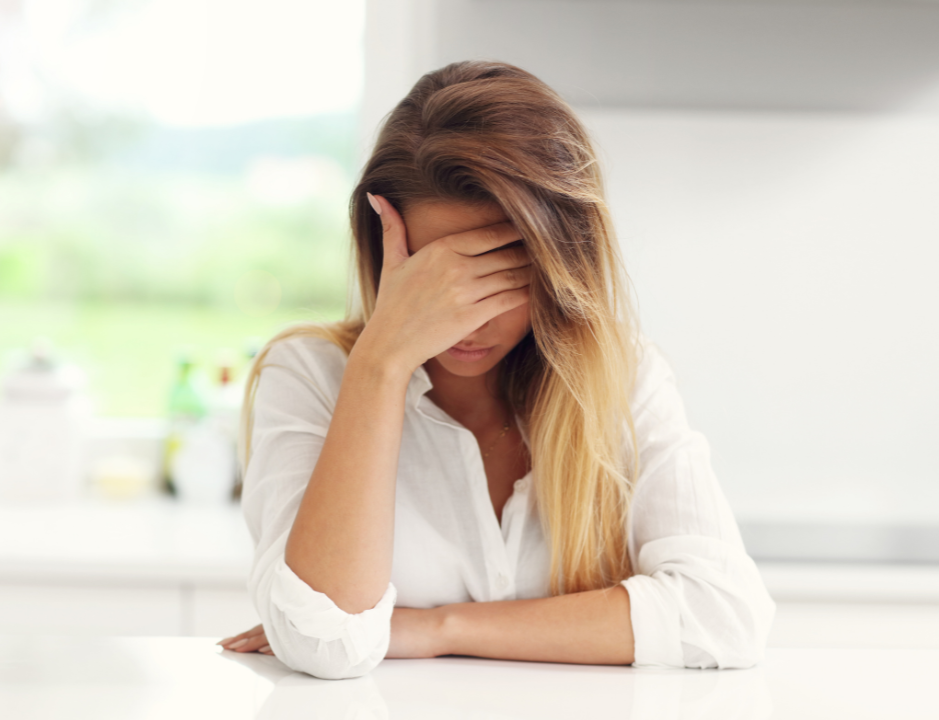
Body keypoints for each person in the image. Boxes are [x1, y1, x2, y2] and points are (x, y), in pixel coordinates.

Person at [218, 60, 775, 680]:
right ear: (383, 255)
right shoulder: (313, 375)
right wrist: (383, 361)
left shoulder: (623, 377)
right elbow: (323, 642)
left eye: (500, 279)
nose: (465, 324)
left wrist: (437, 628)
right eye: (435, 285)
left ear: (562, 268)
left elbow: (725, 614)